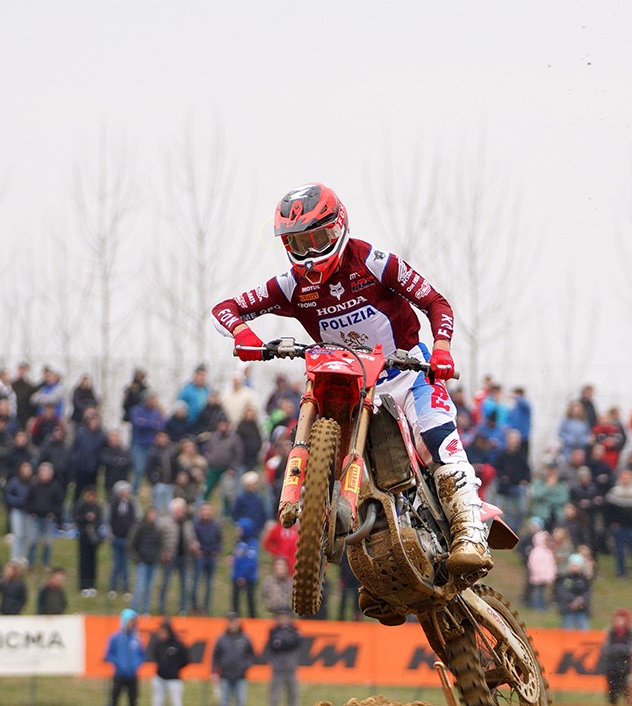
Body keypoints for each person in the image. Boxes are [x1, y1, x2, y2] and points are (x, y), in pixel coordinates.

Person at [210, 183, 493, 596]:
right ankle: (378, 561)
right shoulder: (292, 285)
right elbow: (225, 308)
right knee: (335, 443)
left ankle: (469, 531)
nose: (308, 254)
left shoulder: (373, 261)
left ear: (338, 227)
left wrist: (444, 346)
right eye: (296, 244)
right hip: (348, 382)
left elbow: (436, 301)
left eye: (316, 239)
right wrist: (243, 332)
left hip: (406, 369)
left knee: (436, 435)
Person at [211, 613, 258, 706]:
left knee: (241, 703)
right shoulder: (221, 638)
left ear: (238, 622)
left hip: (240, 676)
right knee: (223, 703)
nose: (231, 624)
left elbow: (252, 655)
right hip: (225, 675)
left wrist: (245, 666)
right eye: (229, 621)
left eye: (234, 621)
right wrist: (214, 671)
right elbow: (215, 656)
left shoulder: (245, 638)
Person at [103, 609, 146, 706]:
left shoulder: (136, 638)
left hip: (133, 674)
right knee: (114, 698)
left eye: (134, 621)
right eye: (130, 621)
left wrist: (137, 664)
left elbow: (142, 654)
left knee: (133, 699)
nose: (132, 624)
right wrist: (118, 663)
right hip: (119, 674)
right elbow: (108, 654)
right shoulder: (115, 638)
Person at [147, 618, 191, 706]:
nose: (161, 633)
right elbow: (155, 656)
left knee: (176, 705)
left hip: (174, 679)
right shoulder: (158, 643)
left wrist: (175, 669)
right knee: (158, 703)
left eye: (163, 630)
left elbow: (186, 660)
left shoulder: (178, 644)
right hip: (160, 677)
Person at [598, 609, 632, 705]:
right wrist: (621, 649)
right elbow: (605, 648)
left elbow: (630, 649)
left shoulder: (630, 633)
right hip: (612, 667)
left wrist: (616, 649)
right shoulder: (610, 632)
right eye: (617, 620)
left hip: (626, 667)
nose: (619, 622)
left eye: (621, 620)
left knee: (628, 692)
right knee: (612, 692)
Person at [264, 610, 303, 706]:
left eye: (285, 617)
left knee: (293, 695)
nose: (283, 619)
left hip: (291, 667)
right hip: (278, 668)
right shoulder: (273, 631)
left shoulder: (294, 630)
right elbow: (272, 646)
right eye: (281, 617)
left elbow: (293, 643)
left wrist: (281, 643)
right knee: (274, 696)